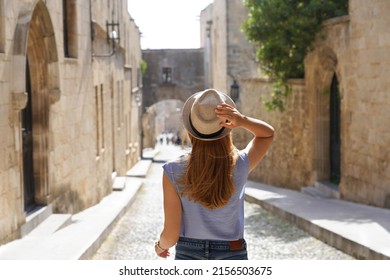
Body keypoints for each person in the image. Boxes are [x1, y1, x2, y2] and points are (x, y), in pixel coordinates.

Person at [154, 88, 274, 260]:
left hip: (189, 253)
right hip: (233, 252)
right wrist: (241, 120)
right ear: (227, 129)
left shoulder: (173, 170)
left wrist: (159, 246)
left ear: (191, 130)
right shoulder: (240, 164)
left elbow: (171, 235)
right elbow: (267, 134)